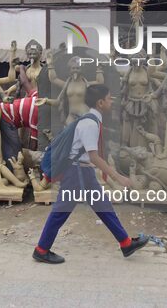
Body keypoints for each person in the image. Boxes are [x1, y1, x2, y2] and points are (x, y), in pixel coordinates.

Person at [33, 84, 148, 264]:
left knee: (103, 207)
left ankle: (126, 243)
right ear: (100, 102)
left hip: (82, 172)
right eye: (109, 98)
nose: (112, 101)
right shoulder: (89, 124)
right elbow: (94, 157)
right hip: (76, 173)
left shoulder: (91, 121)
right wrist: (118, 177)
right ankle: (41, 250)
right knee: (61, 211)